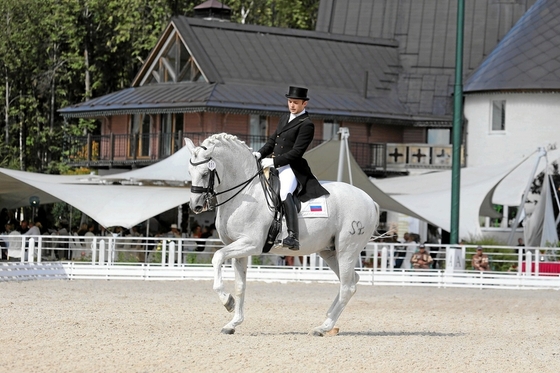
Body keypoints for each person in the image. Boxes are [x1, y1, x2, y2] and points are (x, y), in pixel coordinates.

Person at [253, 86, 329, 250]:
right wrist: (259, 155)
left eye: (295, 102)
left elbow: (296, 153)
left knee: (284, 192)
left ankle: (293, 236)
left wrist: (273, 162)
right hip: (274, 165)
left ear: (304, 104)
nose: (292, 105)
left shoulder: (307, 124)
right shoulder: (284, 118)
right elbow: (272, 142)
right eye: (290, 102)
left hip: (291, 168)